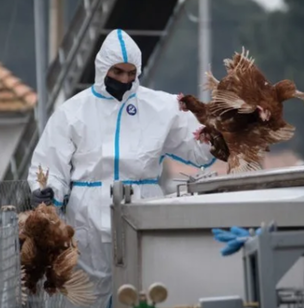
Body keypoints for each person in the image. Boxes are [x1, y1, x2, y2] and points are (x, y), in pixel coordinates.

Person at [28, 29, 216, 308]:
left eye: (131, 73)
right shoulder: (73, 111)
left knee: (146, 292)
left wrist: (213, 139)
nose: (125, 80)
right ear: (103, 67)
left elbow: (197, 149)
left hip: (143, 208)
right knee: (83, 296)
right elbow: (50, 163)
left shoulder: (162, 107)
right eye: (117, 72)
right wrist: (46, 192)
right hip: (87, 217)